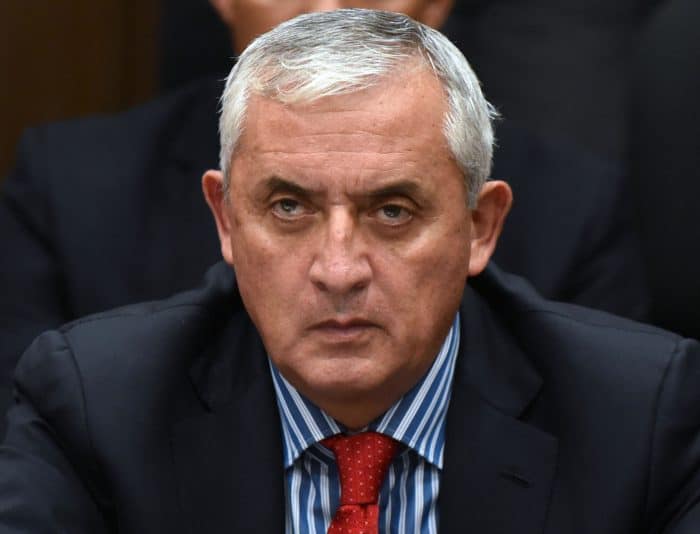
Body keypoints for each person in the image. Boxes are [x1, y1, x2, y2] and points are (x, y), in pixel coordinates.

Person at [1, 10, 698, 533]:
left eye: (393, 211)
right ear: (224, 220)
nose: (338, 270)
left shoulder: (640, 419)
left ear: (480, 227)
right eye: (288, 207)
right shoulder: (95, 408)